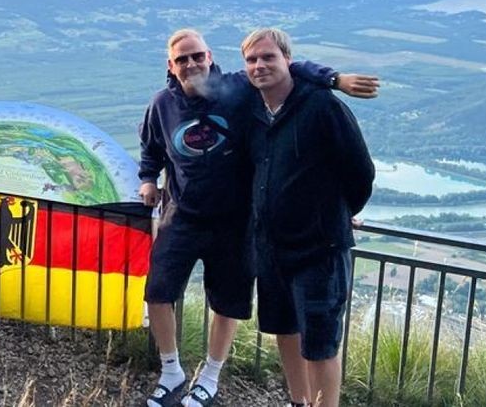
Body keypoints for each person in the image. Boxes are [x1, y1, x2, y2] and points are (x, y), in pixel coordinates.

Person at [139, 29, 377, 407]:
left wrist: (334, 79)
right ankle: (177, 374)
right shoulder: (170, 105)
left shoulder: (267, 95)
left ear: (210, 56)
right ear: (170, 65)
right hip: (210, 224)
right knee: (279, 329)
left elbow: (357, 169)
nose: (191, 64)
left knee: (293, 331)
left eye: (197, 56)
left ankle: (214, 378)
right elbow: (151, 147)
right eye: (182, 59)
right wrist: (148, 180)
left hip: (264, 231)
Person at [242, 28, 375, 407]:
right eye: (252, 60)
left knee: (320, 343)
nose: (259, 65)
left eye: (268, 57)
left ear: (289, 61)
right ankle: (299, 403)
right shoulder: (254, 110)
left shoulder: (323, 107)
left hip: (320, 249)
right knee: (285, 331)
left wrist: (340, 212)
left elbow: (360, 171)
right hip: (272, 248)